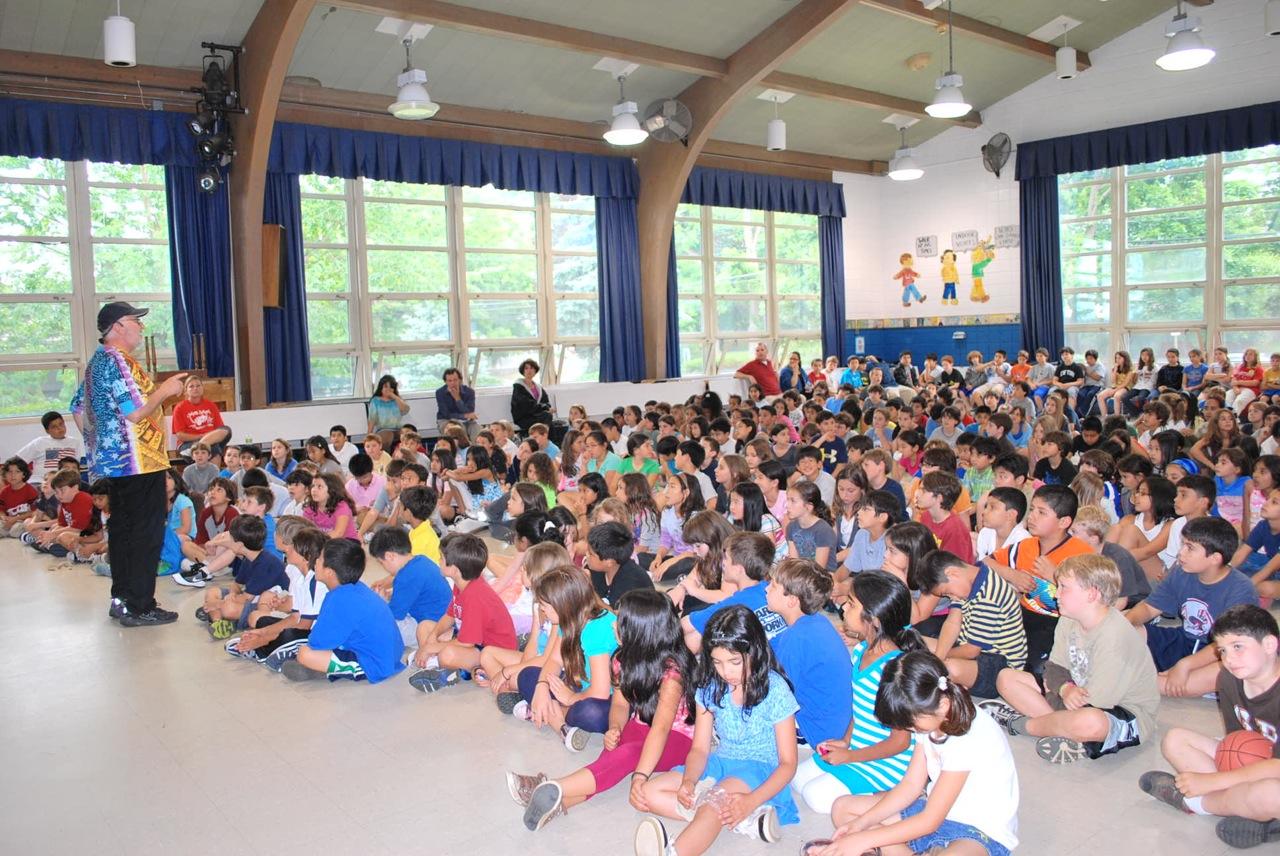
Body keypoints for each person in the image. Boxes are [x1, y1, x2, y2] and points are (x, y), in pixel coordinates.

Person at [506, 589, 698, 831]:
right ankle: (559, 802)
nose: (613, 624)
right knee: (612, 756)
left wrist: (640, 776)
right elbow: (619, 704)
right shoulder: (621, 659)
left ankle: (550, 787)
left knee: (627, 756)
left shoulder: (672, 675)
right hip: (640, 726)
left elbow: (660, 730)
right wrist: (615, 727)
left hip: (676, 740)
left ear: (640, 632)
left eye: (620, 621)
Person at [807, 650, 1019, 856]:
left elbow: (930, 821)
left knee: (865, 835)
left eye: (912, 724)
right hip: (934, 811)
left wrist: (864, 839)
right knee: (843, 809)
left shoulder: (966, 738)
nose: (910, 730)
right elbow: (910, 785)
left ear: (943, 704)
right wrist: (862, 825)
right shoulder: (929, 718)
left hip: (978, 832)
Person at [633, 606, 799, 852]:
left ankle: (674, 850)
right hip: (721, 762)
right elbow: (699, 749)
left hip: (759, 769)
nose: (726, 672)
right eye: (717, 662)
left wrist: (752, 799)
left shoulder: (775, 690)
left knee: (711, 805)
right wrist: (689, 781)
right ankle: (743, 819)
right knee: (649, 793)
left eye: (734, 662)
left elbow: (788, 764)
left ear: (755, 651)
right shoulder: (711, 687)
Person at [70, 301, 187, 626]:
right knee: (145, 534)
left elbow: (77, 407)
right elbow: (135, 412)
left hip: (117, 466)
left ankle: (122, 599)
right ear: (119, 326)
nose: (141, 327)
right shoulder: (119, 361)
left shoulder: (97, 363)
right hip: (139, 464)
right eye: (136, 321)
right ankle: (140, 605)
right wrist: (165, 390)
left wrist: (100, 446)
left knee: (122, 531)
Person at [981, 554, 1159, 765]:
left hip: (1121, 712)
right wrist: (1065, 689)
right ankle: (1064, 732)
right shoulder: (1068, 618)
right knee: (1007, 678)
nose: (1057, 594)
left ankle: (1021, 724)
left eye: (1064, 587)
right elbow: (1054, 667)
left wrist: (1058, 690)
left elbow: (1097, 703)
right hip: (1072, 692)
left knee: (1089, 722)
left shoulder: (1115, 635)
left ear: (1092, 594)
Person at [1139, 604, 1280, 849]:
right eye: (1223, 651)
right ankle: (1253, 814)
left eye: (1238, 647)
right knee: (1175, 740)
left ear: (1269, 645)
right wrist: (1230, 773)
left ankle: (1195, 803)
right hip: (1259, 764)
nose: (1229, 659)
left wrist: (1213, 782)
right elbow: (1237, 741)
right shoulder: (1228, 678)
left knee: (1270, 794)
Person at [792, 571, 919, 814]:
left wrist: (850, 757)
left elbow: (900, 741)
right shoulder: (861, 650)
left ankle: (896, 795)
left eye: (851, 604)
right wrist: (846, 742)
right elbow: (860, 709)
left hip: (886, 761)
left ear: (874, 620)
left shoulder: (895, 669)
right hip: (859, 747)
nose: (843, 609)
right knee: (798, 780)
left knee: (815, 797)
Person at [1126, 516, 1257, 697]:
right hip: (1185, 640)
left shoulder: (1241, 590)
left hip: (1219, 653)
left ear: (1214, 558)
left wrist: (1185, 665)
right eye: (1183, 545)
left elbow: (1231, 644)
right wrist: (1124, 624)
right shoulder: (1182, 573)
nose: (1181, 553)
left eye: (1190, 548)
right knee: (1126, 625)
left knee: (1224, 670)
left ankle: (1131, 681)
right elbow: (1149, 608)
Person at [515, 566, 619, 752]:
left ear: (563, 605)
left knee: (591, 714)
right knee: (527, 675)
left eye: (545, 607)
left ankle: (552, 716)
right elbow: (555, 661)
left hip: (608, 698)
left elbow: (601, 691)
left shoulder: (598, 628)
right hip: (581, 687)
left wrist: (572, 698)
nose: (543, 612)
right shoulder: (570, 618)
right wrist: (542, 687)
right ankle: (557, 718)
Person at [281, 538, 405, 683]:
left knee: (305, 654)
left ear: (329, 572)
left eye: (319, 559)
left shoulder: (338, 599)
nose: (315, 562)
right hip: (390, 653)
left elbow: (317, 643)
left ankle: (344, 670)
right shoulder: (356, 588)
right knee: (308, 652)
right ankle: (322, 670)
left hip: (376, 663)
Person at [408, 532, 517, 691]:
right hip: (470, 639)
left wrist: (430, 648)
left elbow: (466, 642)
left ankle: (446, 668)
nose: (438, 561)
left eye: (441, 559)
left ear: (454, 569)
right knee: (424, 627)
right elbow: (450, 614)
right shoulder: (462, 583)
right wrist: (433, 637)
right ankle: (443, 667)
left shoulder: (475, 596)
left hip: (491, 651)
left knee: (448, 654)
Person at [765, 558, 854, 747]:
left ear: (792, 601)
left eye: (772, 586)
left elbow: (775, 693)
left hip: (818, 733)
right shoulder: (817, 622)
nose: (766, 589)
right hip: (838, 723)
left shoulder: (797, 637)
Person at [369, 525, 452, 654]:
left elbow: (394, 615)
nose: (383, 567)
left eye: (381, 562)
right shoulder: (421, 560)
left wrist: (382, 602)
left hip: (430, 626)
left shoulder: (405, 577)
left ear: (390, 556)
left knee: (380, 624)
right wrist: (392, 594)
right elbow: (415, 592)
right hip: (443, 618)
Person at [14, 410, 83, 486]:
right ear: (47, 431)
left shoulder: (74, 442)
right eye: (54, 427)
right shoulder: (39, 442)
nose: (59, 428)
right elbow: (17, 460)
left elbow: (75, 466)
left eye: (61, 424)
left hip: (65, 482)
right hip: (40, 481)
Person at [170, 375, 231, 458]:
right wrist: (201, 436)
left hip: (211, 441)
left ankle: (199, 446)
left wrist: (207, 439)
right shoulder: (180, 408)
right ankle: (198, 447)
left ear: (202, 388)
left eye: (198, 385)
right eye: (191, 386)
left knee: (226, 430)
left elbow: (220, 429)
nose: (195, 388)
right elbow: (180, 435)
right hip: (188, 444)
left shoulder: (211, 405)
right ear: (186, 390)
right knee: (214, 450)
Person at [511, 359, 554, 434]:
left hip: (537, 415)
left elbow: (546, 401)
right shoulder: (518, 386)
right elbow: (526, 404)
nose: (529, 370)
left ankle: (542, 437)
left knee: (549, 417)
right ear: (523, 371)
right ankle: (543, 437)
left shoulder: (538, 387)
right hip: (524, 417)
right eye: (526, 368)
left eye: (532, 368)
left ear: (535, 371)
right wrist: (545, 408)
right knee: (547, 416)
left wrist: (548, 408)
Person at [434, 368, 479, 439]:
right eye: (449, 381)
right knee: (458, 428)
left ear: (460, 380)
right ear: (445, 382)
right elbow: (446, 414)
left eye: (455, 380)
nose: (452, 383)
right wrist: (464, 416)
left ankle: (475, 449)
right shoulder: (440, 393)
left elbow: (469, 412)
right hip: (446, 420)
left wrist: (457, 398)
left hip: (466, 420)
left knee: (476, 427)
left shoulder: (469, 392)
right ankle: (462, 448)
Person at [367, 373, 410, 446]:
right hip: (383, 430)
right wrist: (369, 436)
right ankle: (387, 457)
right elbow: (372, 419)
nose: (388, 389)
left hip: (398, 429)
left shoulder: (397, 400)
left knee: (409, 436)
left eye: (391, 387)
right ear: (381, 388)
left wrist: (395, 397)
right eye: (386, 387)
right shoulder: (375, 401)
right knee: (388, 435)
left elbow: (405, 410)